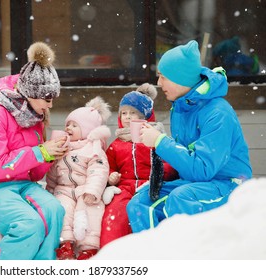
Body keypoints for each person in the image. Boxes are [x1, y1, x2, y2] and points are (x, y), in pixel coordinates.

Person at [126, 40, 252, 234]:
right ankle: (153, 256)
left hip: (228, 184)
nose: (159, 84)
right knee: (141, 202)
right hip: (195, 183)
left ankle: (187, 257)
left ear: (180, 79)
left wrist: (160, 141)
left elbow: (203, 169)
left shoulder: (218, 113)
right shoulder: (181, 107)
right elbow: (186, 158)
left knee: (181, 198)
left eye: (162, 77)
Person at [0, 42, 67, 260]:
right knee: (29, 224)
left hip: (21, 185)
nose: (50, 106)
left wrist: (50, 155)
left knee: (54, 211)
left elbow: (35, 174)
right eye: (47, 99)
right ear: (30, 93)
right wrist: (40, 152)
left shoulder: (35, 118)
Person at [100, 84, 178, 248]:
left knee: (143, 213)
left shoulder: (156, 139)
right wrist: (112, 176)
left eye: (133, 113)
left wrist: (161, 173)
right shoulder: (117, 144)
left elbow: (171, 163)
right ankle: (112, 255)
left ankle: (147, 252)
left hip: (151, 186)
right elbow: (109, 166)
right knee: (114, 216)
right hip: (125, 188)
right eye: (124, 113)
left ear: (146, 117)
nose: (127, 117)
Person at [46, 96, 111, 260]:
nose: (69, 127)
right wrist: (50, 189)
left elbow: (98, 171)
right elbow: (53, 172)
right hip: (64, 190)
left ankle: (88, 248)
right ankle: (65, 244)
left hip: (85, 191)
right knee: (63, 210)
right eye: (68, 124)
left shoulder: (93, 149)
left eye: (75, 125)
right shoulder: (62, 147)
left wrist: (92, 191)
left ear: (88, 130)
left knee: (91, 212)